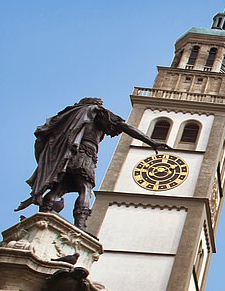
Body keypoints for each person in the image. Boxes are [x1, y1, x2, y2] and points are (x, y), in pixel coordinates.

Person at [16, 98, 168, 229]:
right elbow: (125, 126)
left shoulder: (68, 115)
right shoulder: (97, 112)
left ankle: (44, 215)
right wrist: (151, 142)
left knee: (58, 189)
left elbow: (44, 137)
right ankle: (80, 225)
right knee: (85, 188)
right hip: (85, 154)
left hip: (65, 155)